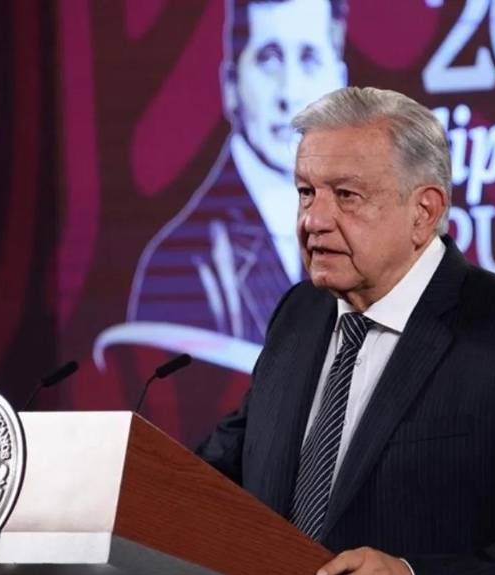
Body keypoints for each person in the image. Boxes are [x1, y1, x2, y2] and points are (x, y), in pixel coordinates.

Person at [200, 87, 495, 575]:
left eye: (346, 195)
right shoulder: (298, 314)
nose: (313, 219)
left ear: (424, 212)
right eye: (306, 192)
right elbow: (222, 470)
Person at [96, 0, 348, 372]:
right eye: (269, 59)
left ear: (340, 83)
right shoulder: (183, 266)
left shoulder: (369, 240)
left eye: (309, 59)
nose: (290, 92)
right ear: (231, 85)